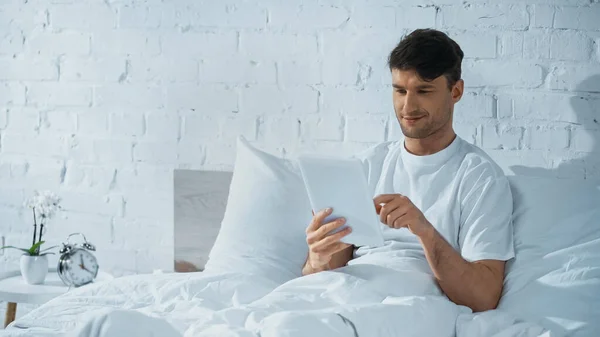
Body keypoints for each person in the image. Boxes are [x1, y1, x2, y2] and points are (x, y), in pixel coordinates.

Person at [301, 29, 515, 313]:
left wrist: (424, 230)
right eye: (399, 90)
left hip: (408, 304)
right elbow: (323, 272)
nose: (408, 106)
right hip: (345, 292)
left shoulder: (479, 177)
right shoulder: (365, 165)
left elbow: (483, 298)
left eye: (423, 91)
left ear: (456, 91)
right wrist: (317, 259)